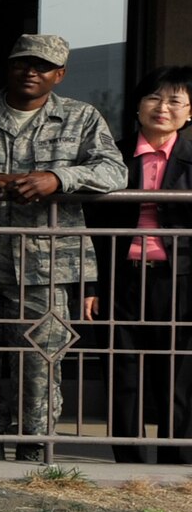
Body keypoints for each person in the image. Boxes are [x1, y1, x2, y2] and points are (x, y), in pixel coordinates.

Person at [0, 34, 123, 460]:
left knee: (39, 362)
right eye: (22, 63)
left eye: (42, 66)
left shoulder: (81, 118)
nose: (30, 72)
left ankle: (35, 448)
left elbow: (114, 171)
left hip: (48, 267)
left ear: (60, 74)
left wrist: (58, 179)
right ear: (9, 67)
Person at [94, 68, 192, 462]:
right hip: (121, 279)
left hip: (180, 281)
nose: (162, 108)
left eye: (174, 101)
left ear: (190, 111)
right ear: (137, 105)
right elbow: (89, 228)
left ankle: (177, 462)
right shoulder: (109, 157)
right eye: (153, 98)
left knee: (178, 377)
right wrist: (90, 287)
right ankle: (128, 461)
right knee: (123, 374)